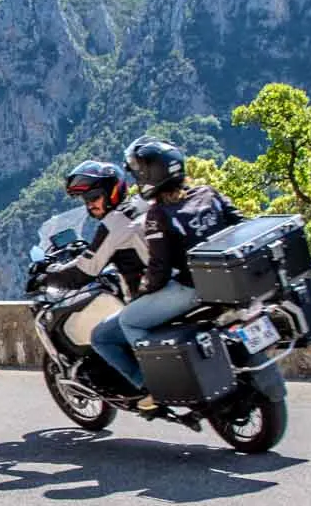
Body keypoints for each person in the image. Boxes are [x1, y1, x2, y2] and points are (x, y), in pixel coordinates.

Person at [89, 139, 243, 402]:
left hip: (189, 289)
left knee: (128, 321)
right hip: (227, 282)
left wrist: (142, 294)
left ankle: (153, 387)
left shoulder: (159, 214)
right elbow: (240, 225)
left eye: (139, 172)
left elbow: (159, 271)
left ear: (151, 176)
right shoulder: (208, 193)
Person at [45, 160, 149, 289]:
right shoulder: (137, 206)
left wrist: (45, 275)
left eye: (94, 197)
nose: (90, 205)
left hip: (155, 296)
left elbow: (81, 272)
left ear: (113, 192)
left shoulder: (114, 222)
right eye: (85, 199)